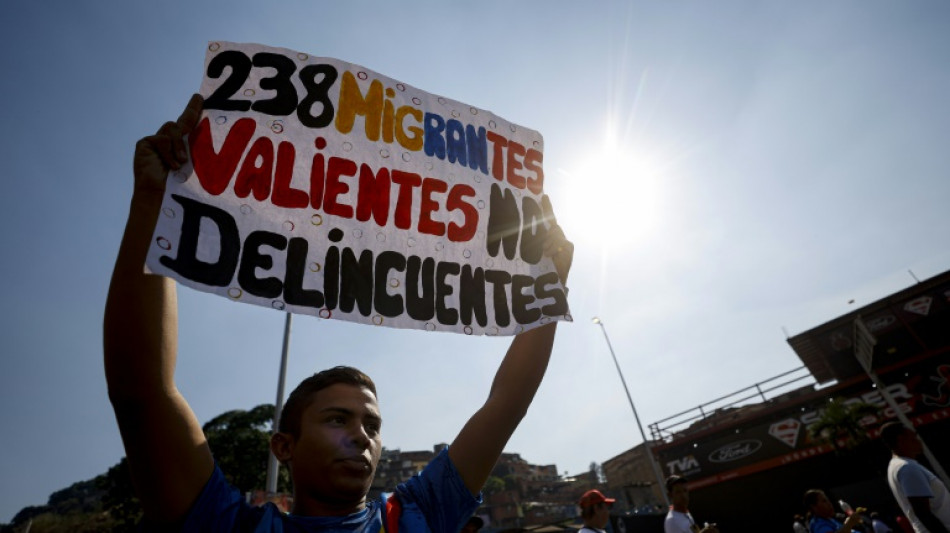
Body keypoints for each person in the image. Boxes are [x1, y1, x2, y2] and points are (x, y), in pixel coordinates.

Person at [103, 94, 575, 531]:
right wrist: (151, 201)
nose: (361, 436)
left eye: (372, 425)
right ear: (284, 446)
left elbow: (507, 402)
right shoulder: (230, 526)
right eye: (337, 419)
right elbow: (141, 392)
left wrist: (549, 287)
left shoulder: (415, 515)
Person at [880, 422, 950, 533]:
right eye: (913, 437)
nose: (919, 441)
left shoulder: (897, 465)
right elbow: (922, 513)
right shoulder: (907, 468)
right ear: (901, 440)